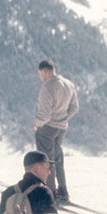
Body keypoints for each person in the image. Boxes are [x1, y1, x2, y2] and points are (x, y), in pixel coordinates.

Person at [35, 59, 79, 204]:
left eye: (40, 74)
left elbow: (45, 115)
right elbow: (74, 108)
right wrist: (64, 118)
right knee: (58, 159)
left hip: (47, 128)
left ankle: (50, 194)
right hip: (61, 128)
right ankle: (63, 192)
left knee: (46, 161)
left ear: (43, 72)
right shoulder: (69, 84)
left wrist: (36, 124)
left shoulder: (47, 87)